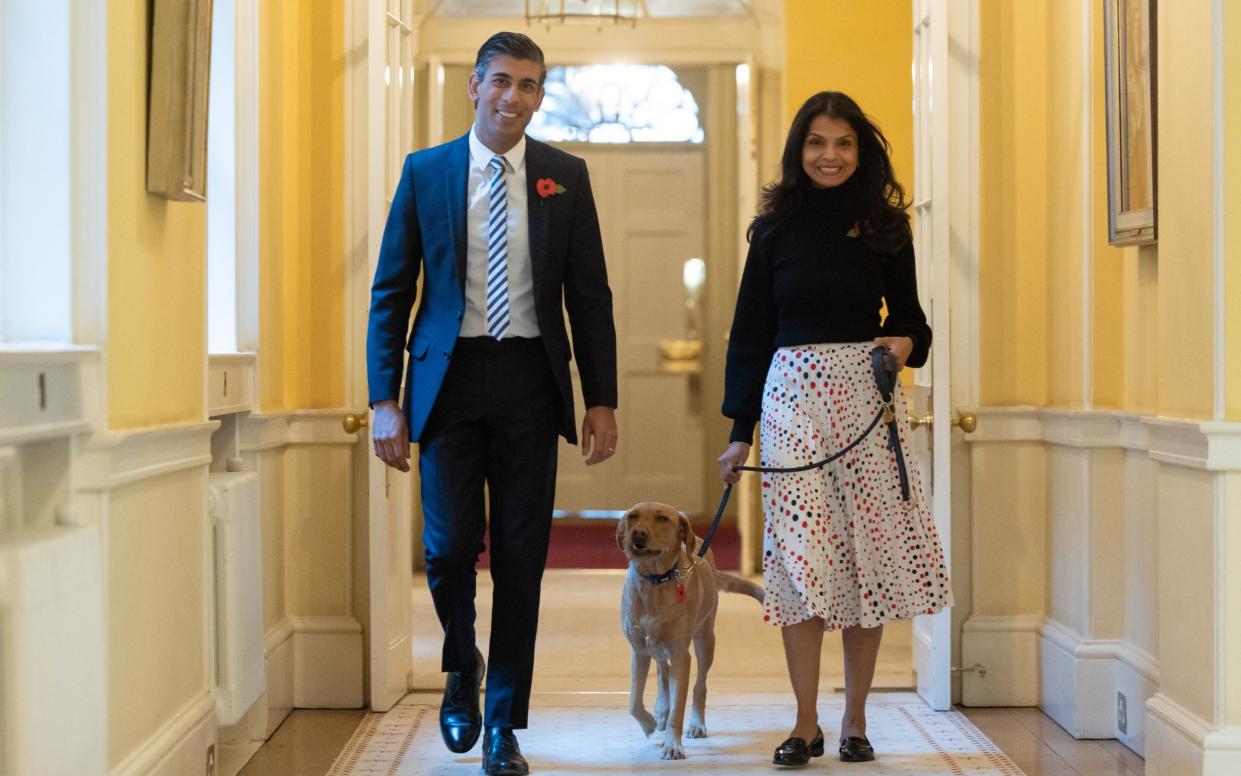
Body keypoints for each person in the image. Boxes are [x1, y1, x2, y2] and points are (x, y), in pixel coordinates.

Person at [366, 32, 618, 776]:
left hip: (530, 387)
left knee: (519, 559)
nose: (515, 98)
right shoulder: (427, 173)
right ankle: (460, 665)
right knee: (445, 551)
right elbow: (391, 292)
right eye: (502, 82)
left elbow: (589, 298)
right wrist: (384, 397)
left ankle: (503, 725)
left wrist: (599, 399)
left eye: (530, 85)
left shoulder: (564, 177)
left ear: (542, 95)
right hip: (448, 383)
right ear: (474, 86)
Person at [716, 91, 952, 767]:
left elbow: (913, 320)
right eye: (817, 143)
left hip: (865, 404)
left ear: (860, 150)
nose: (829, 155)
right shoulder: (772, 230)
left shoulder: (884, 226)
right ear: (799, 151)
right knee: (800, 562)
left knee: (864, 564)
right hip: (790, 400)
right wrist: (740, 432)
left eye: (842, 143)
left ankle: (853, 721)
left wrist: (904, 345)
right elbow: (750, 334)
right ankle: (802, 723)